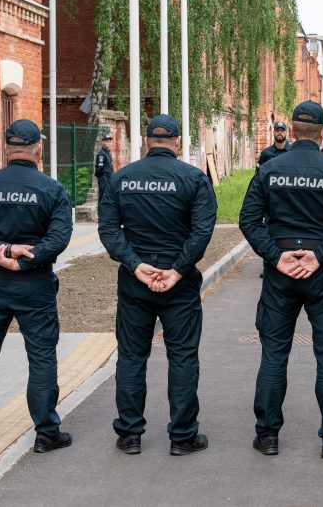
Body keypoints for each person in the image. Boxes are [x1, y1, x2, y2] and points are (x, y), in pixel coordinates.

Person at [239, 101, 323, 459]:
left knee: (274, 354)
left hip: (282, 273)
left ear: (291, 130)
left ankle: (268, 436)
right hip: (321, 273)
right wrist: (319, 254)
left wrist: (277, 256)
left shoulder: (270, 169)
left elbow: (248, 221)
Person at [98, 114, 217, 457]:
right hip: (178, 285)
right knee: (182, 357)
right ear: (177, 142)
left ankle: (130, 434)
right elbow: (201, 231)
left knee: (132, 357)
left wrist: (136, 266)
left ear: (146, 140)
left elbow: (109, 230)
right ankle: (182, 436)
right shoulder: (194, 179)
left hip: (136, 283)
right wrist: (178, 269)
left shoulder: (122, 178)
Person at [0, 119, 74, 453]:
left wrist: (0, 252)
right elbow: (60, 238)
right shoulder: (51, 189)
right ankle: (46, 433)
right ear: (39, 148)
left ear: (7, 148)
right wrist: (22, 258)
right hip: (34, 283)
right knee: (41, 357)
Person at [94, 133, 114, 199]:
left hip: (110, 178)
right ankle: (101, 209)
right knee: (103, 196)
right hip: (104, 178)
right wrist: (102, 177)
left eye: (109, 141)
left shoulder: (108, 153)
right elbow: (99, 169)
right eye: (107, 141)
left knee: (108, 196)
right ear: (103, 142)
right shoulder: (101, 154)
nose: (109, 143)